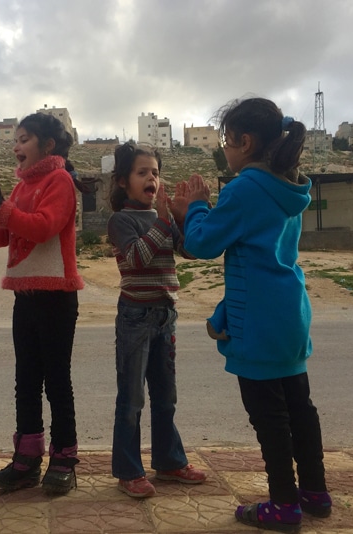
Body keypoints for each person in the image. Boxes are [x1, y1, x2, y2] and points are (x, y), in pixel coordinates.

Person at [182, 97, 331, 532]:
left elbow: (203, 243)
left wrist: (194, 206)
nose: (224, 149)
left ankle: (284, 505)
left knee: (269, 417)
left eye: (226, 140)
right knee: (300, 407)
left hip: (258, 322)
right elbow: (261, 257)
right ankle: (315, 493)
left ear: (245, 142)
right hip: (290, 313)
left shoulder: (245, 188)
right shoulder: (290, 187)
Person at [0, 113, 84, 495]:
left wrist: (2, 207)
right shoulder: (20, 187)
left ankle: (64, 458)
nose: (16, 146)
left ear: (47, 146)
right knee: (26, 380)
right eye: (15, 140)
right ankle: (27, 458)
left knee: (56, 381)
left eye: (24, 139)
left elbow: (43, 226)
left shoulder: (60, 180)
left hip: (55, 298)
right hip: (25, 297)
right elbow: (4, 237)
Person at [106, 142, 207, 498]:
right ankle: (128, 470)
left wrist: (189, 213)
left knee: (166, 397)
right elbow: (135, 258)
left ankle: (168, 461)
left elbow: (191, 251)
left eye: (155, 172)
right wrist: (165, 222)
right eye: (142, 172)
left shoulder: (162, 219)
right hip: (135, 317)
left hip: (166, 315)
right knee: (131, 399)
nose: (152, 178)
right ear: (122, 181)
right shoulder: (121, 220)